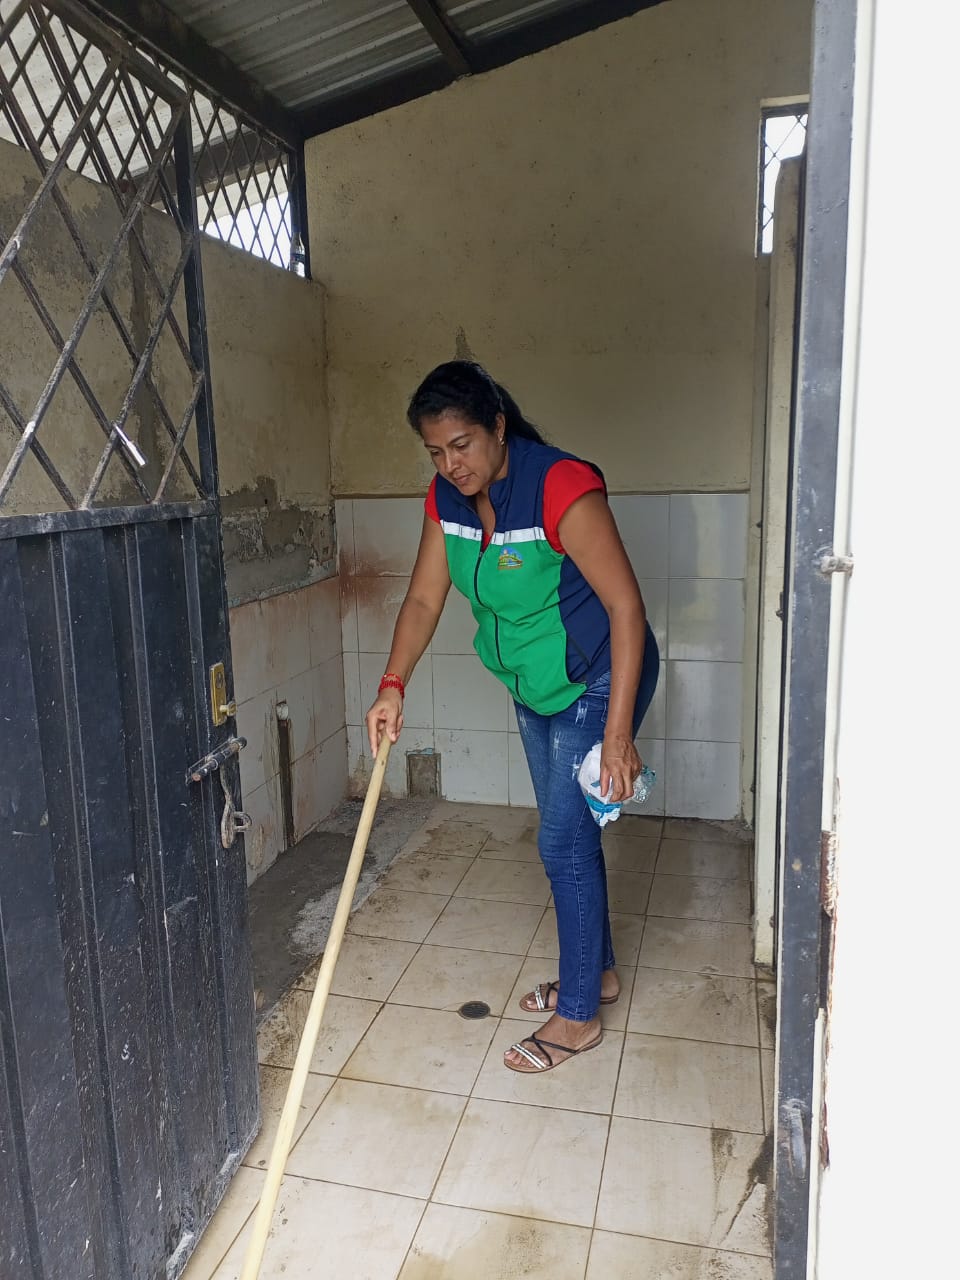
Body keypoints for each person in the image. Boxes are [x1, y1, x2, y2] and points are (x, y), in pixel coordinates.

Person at [365, 361, 659, 1073]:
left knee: (560, 842)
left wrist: (618, 736)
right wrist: (392, 684)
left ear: (497, 426)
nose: (451, 465)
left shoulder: (559, 485)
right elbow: (424, 598)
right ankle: (598, 973)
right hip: (534, 684)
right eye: (436, 451)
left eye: (462, 444)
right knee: (571, 833)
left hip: (598, 676)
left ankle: (579, 1016)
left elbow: (626, 606)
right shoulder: (448, 499)